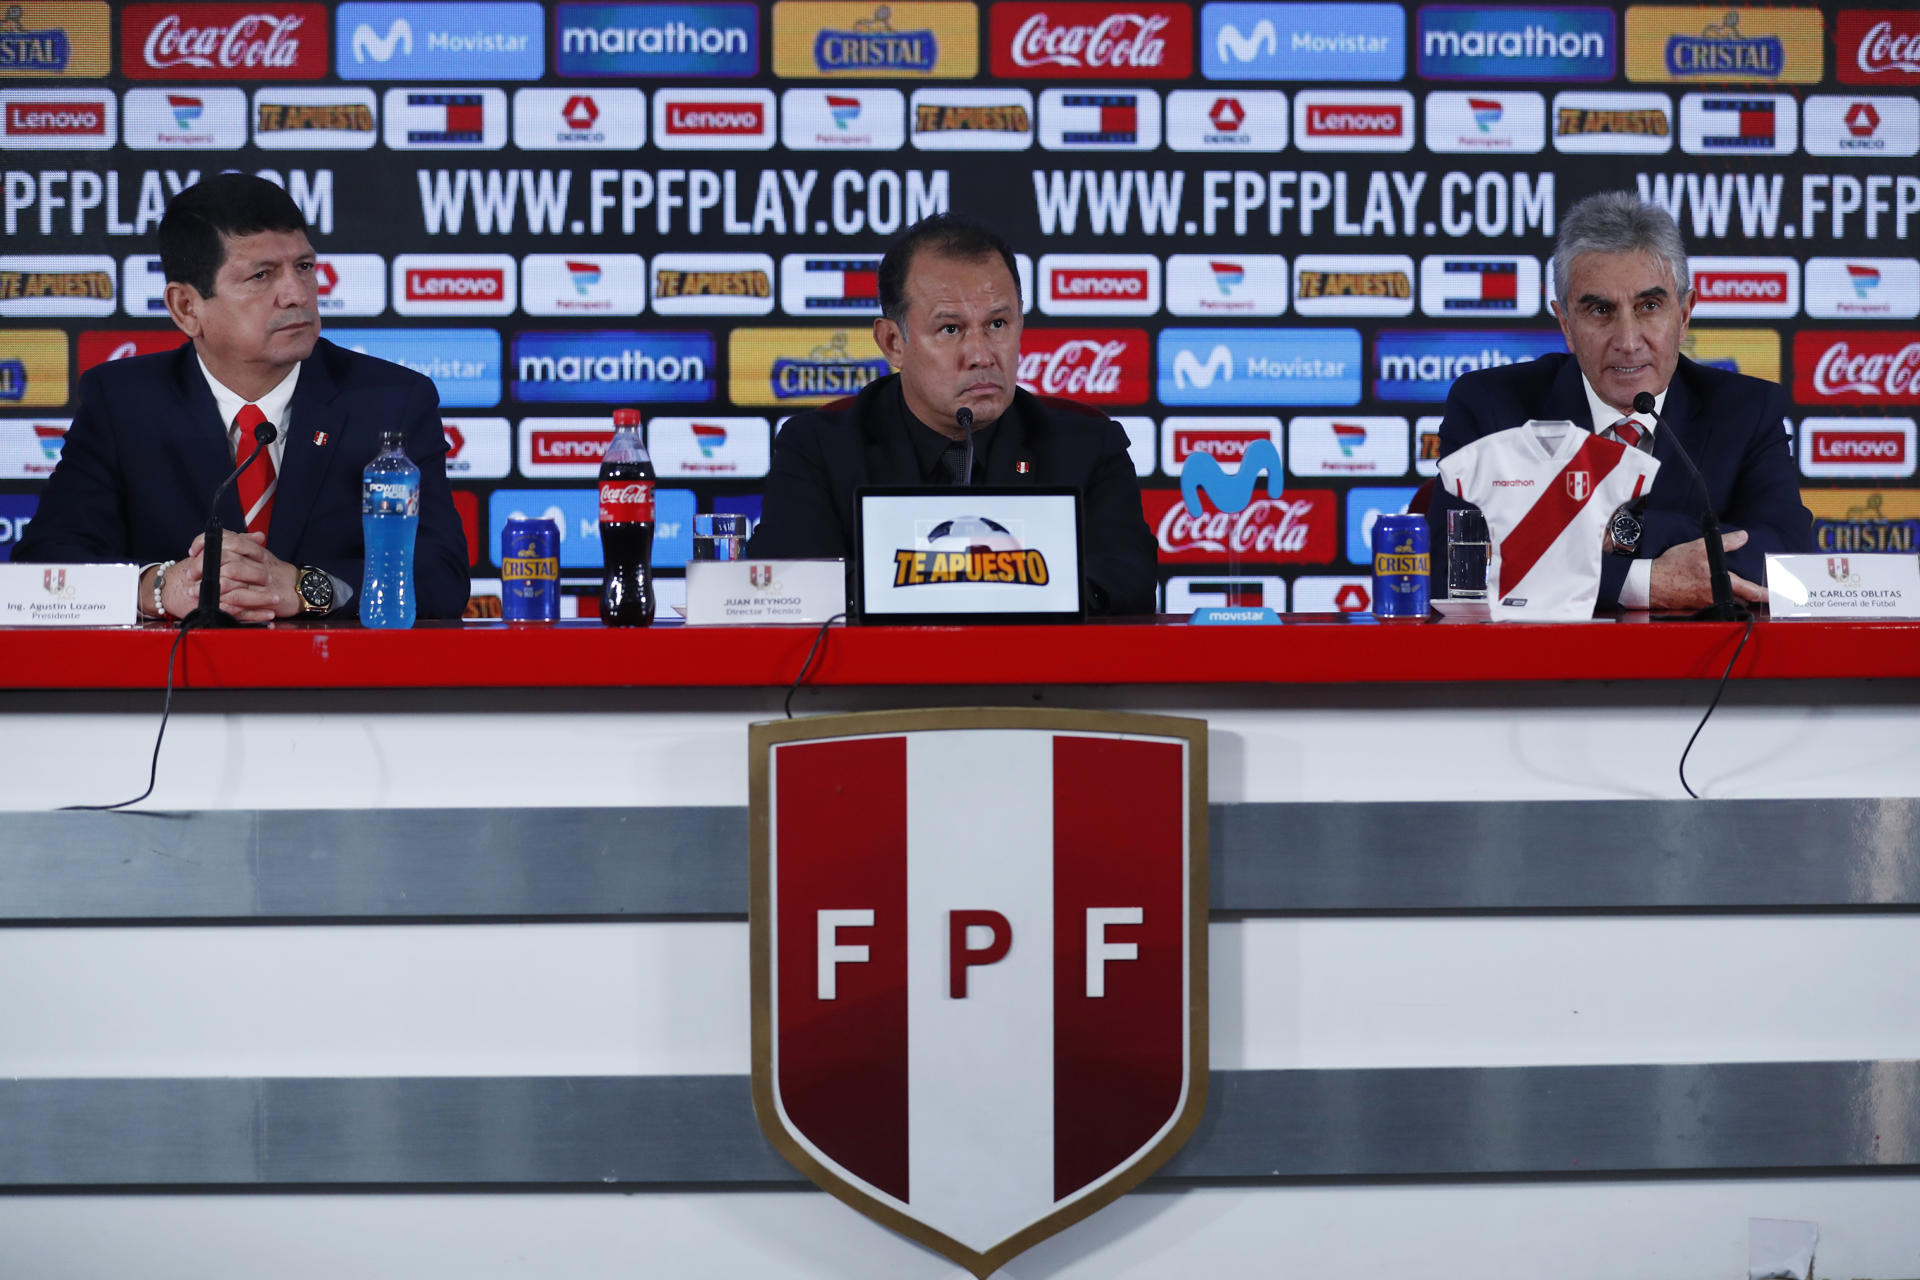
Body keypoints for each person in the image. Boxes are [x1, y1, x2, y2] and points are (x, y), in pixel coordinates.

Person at [14, 173, 468, 621]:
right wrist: (159, 587)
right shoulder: (123, 404)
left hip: (336, 686)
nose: (296, 294)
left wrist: (304, 587)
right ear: (187, 308)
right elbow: (44, 567)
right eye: (261, 275)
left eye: (304, 267)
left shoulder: (391, 400)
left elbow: (441, 574)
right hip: (175, 688)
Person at [746, 214, 1158, 616]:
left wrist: (930, 583)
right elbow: (790, 586)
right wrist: (1000, 582)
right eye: (950, 329)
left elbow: (1129, 582)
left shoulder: (1087, 447)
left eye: (997, 323)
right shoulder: (819, 449)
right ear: (893, 343)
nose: (981, 355)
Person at [1426, 191, 1812, 611]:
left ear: (1684, 316)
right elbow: (1456, 568)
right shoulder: (1493, 407)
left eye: (1649, 306)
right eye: (1600, 311)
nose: (1628, 342)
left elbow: (1789, 562)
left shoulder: (1745, 410)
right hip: (1540, 671)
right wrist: (1641, 582)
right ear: (1566, 324)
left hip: (1699, 673)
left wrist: (1622, 533)